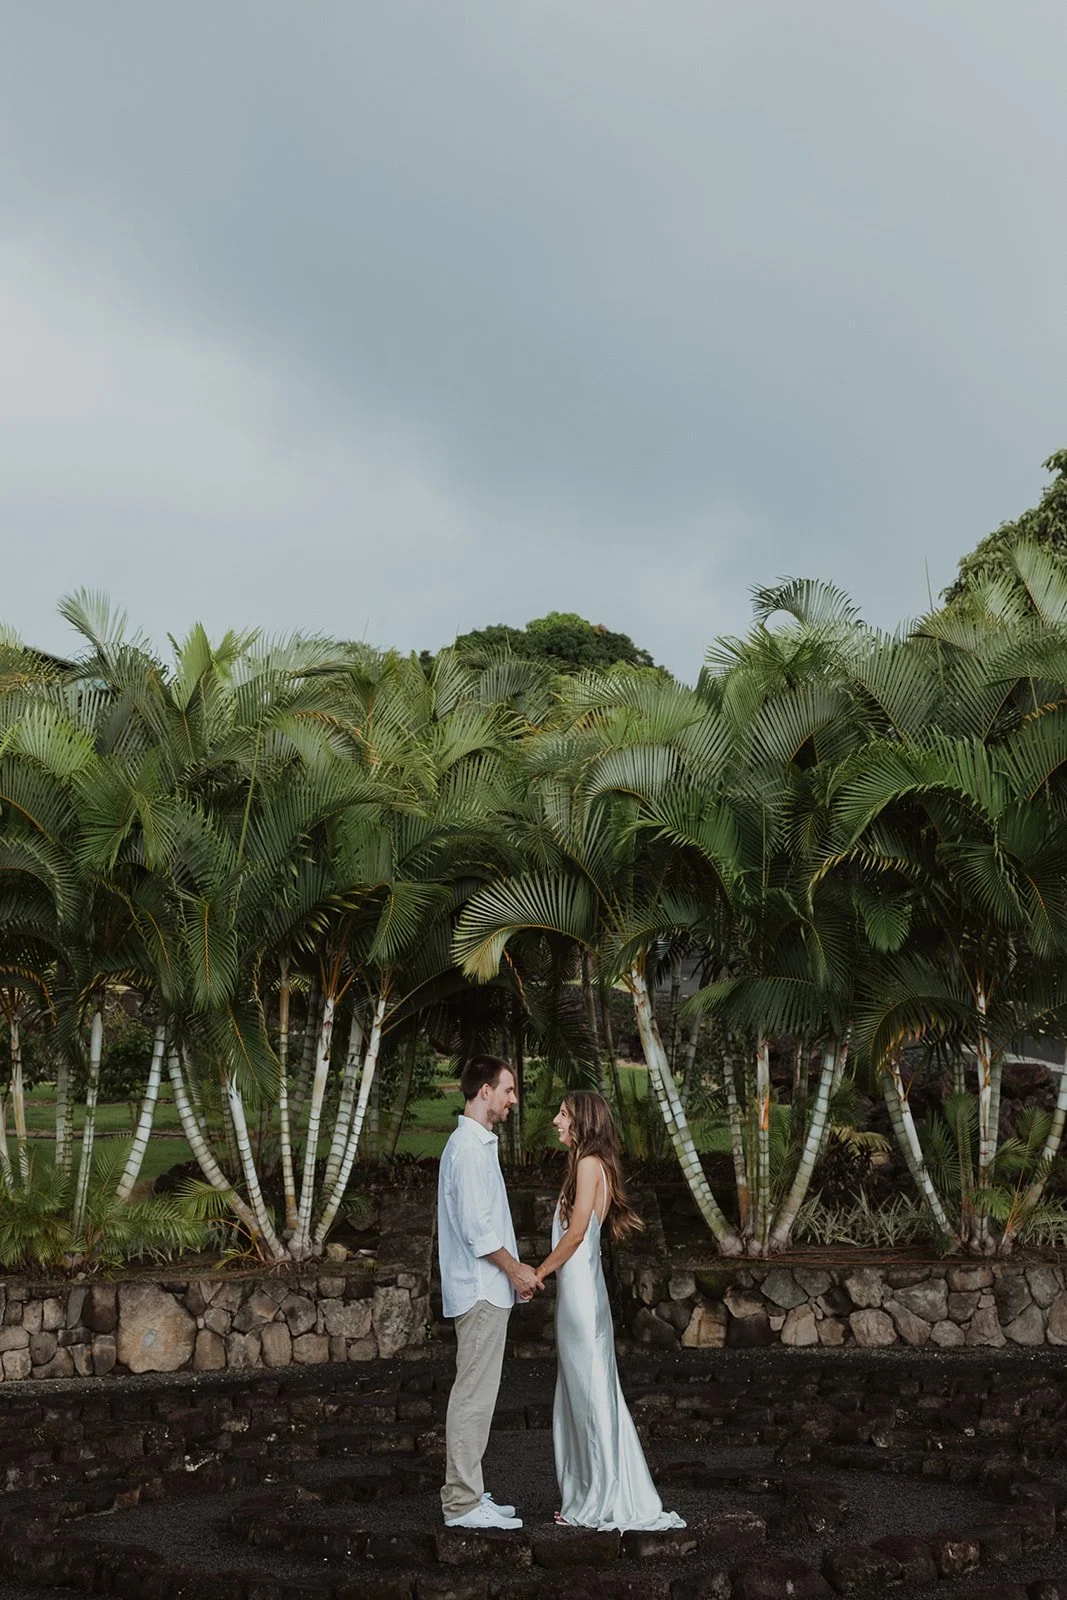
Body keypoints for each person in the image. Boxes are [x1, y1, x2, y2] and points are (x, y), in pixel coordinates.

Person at [535, 1090, 686, 1531]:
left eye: (563, 1114)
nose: (556, 1121)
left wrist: (538, 1272)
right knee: (588, 1391)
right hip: (583, 1293)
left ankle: (599, 1497)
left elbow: (576, 1233)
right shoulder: (592, 1164)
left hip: (581, 1298)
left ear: (582, 1121)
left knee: (589, 1394)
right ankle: (593, 1492)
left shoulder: (587, 1165)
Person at [437, 1055, 539, 1530]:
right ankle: (461, 1504)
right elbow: (477, 1231)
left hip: (487, 1290)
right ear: (484, 1091)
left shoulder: (477, 1145)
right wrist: (516, 1271)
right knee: (472, 1396)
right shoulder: (467, 1149)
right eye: (508, 1090)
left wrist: (512, 1277)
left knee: (479, 1395)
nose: (513, 1099)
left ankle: (471, 1494)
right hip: (479, 1290)